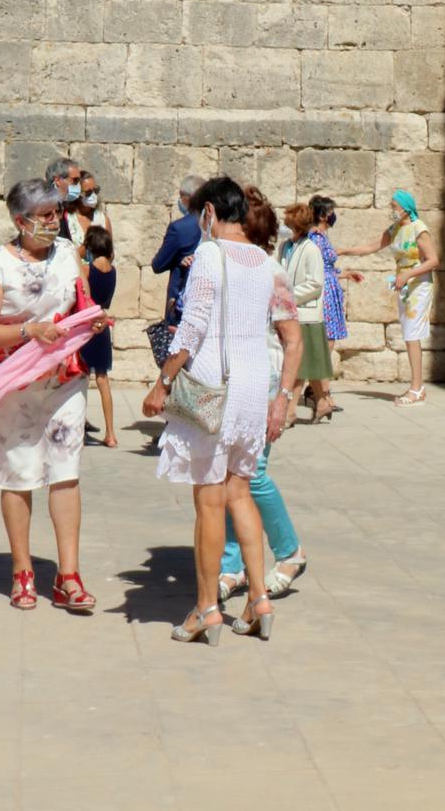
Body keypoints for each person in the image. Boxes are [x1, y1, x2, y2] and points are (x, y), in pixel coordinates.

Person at [141, 177, 301, 646]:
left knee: (209, 499)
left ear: (209, 211)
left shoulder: (211, 254)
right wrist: (284, 398)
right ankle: (258, 599)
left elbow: (192, 326)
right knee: (239, 492)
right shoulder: (266, 260)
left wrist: (163, 381)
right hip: (253, 389)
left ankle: (207, 607)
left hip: (214, 386)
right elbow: (290, 335)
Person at [0, 177, 108, 612]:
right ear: (20, 221)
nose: (55, 221)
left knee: (65, 471)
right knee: (20, 473)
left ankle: (68, 575)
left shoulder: (68, 253)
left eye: (57, 213)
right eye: (46, 215)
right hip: (15, 383)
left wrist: (93, 320)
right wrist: (28, 330)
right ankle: (22, 571)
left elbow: (80, 303)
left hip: (65, 377)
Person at [218, 186, 310, 602]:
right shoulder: (225, 265)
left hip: (265, 380)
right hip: (231, 381)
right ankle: (232, 564)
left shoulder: (270, 270)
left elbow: (293, 340)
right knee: (224, 475)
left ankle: (290, 551)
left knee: (251, 475)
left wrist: (284, 399)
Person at [348, 189, 439, 406]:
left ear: (405, 208)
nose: (392, 210)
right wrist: (344, 251)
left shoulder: (419, 229)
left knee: (412, 332)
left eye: (394, 206)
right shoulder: (396, 229)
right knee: (409, 332)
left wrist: (408, 274)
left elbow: (433, 260)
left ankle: (417, 389)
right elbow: (372, 246)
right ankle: (417, 387)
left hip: (418, 285)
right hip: (403, 285)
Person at [282, 202, 336, 422]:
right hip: (290, 311)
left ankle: (290, 412)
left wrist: (289, 295)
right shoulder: (286, 246)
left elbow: (315, 283)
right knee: (310, 364)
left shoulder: (311, 249)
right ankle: (322, 403)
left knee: (299, 366)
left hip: (306, 313)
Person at [309, 193, 359, 412]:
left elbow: (327, 268)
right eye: (329, 212)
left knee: (328, 343)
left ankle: (319, 391)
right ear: (322, 214)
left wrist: (344, 274)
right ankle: (322, 393)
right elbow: (316, 268)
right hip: (325, 294)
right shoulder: (316, 238)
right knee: (325, 344)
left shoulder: (322, 237)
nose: (332, 216)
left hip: (330, 290)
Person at [148, 174, 204, 361]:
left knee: (176, 357)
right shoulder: (214, 226)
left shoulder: (179, 228)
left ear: (188, 198)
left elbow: (158, 264)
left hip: (180, 302)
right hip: (205, 301)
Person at [80, 218, 117, 446]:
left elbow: (74, 256)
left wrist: (81, 248)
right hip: (102, 327)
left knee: (80, 380)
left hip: (86, 326)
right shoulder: (113, 272)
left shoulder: (86, 268)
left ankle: (77, 429)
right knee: (103, 380)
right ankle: (111, 433)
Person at [50, 159, 86, 250]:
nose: (78, 185)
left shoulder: (62, 204)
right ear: (57, 180)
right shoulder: (48, 206)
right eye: (75, 180)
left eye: (79, 180)